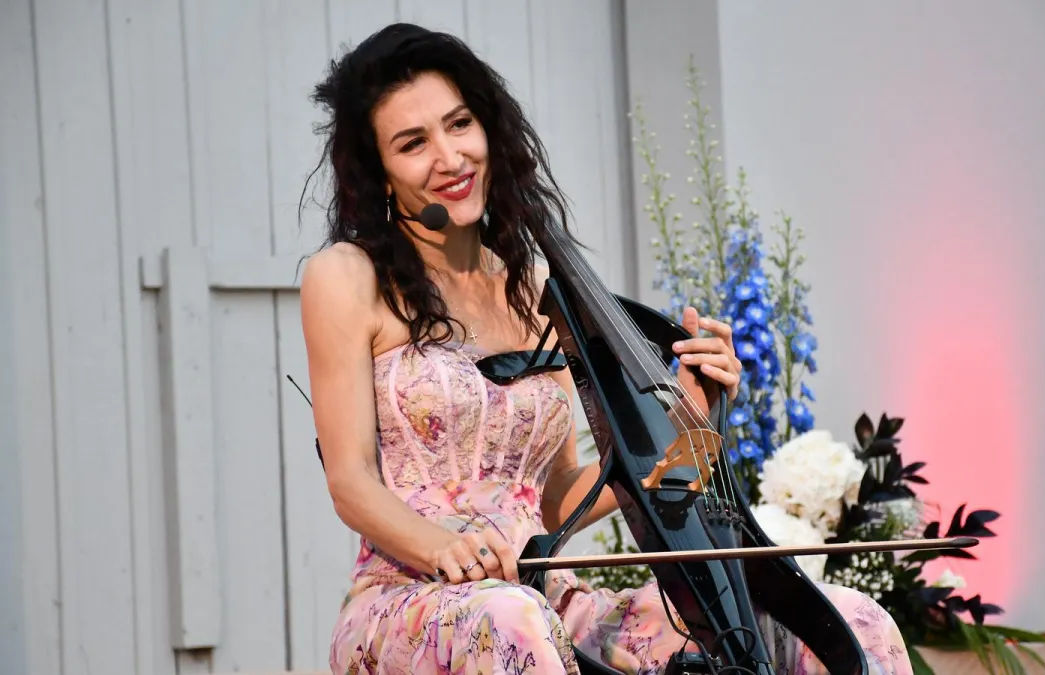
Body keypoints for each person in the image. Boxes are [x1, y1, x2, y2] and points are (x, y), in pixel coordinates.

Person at [300, 22, 914, 675]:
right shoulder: (347, 277)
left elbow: (560, 499)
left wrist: (693, 422)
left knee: (851, 620)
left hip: (542, 600)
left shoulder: (535, 289)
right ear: (380, 173)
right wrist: (441, 546)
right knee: (513, 620)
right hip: (408, 600)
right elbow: (350, 479)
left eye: (459, 125)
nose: (450, 157)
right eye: (413, 143)